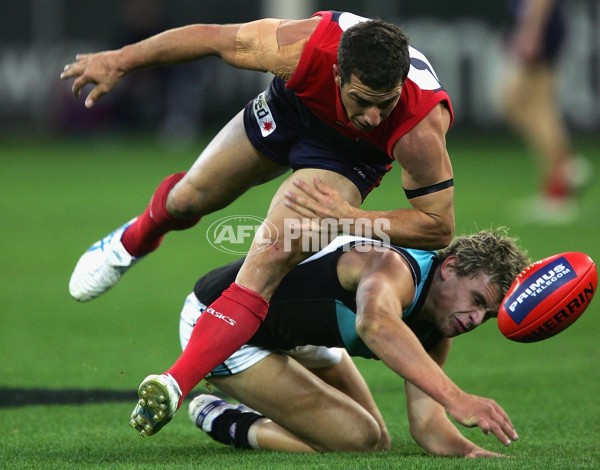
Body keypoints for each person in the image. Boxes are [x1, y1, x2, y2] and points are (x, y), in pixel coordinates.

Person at [60, 11, 455, 436]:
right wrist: (121, 59)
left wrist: (351, 219)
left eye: (386, 103)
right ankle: (136, 238)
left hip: (348, 160)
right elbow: (211, 37)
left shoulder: (420, 124)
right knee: (190, 197)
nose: (375, 117)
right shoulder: (303, 48)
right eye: (362, 100)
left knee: (272, 256)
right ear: (338, 72)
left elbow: (437, 227)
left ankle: (174, 384)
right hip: (292, 111)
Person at [135, 229, 529, 456]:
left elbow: (427, 425)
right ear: (450, 266)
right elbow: (375, 323)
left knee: (379, 441)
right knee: (358, 439)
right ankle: (229, 421)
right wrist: (457, 398)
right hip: (223, 325)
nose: (476, 319)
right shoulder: (393, 267)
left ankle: (265, 398)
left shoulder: (439, 326)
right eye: (477, 300)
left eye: (488, 315)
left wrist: (468, 452)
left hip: (295, 335)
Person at [501, 0, 591, 223]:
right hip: (538, 23)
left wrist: (531, 31)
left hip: (541, 24)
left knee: (537, 105)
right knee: (521, 103)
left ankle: (558, 191)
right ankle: (567, 164)